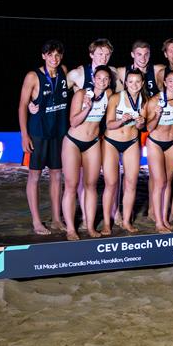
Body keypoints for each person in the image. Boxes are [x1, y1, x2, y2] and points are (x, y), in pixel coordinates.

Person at [17, 40, 69, 236]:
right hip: (38, 133)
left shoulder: (63, 71)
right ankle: (37, 221)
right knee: (35, 176)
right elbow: (22, 105)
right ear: (43, 56)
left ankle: (56, 219)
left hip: (59, 132)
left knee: (57, 175)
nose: (54, 58)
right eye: (50, 55)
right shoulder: (33, 76)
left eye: (57, 55)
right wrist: (24, 135)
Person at [60, 64, 111, 240]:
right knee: (71, 185)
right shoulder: (81, 94)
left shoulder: (109, 95)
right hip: (73, 142)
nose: (102, 81)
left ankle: (90, 227)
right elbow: (73, 122)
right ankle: (71, 229)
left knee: (91, 185)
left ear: (109, 81)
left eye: (106, 79)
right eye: (99, 78)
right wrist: (87, 108)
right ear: (93, 79)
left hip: (93, 143)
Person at [103, 70, 147, 234]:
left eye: (138, 81)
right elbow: (109, 124)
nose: (134, 85)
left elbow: (141, 127)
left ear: (142, 83)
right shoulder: (116, 98)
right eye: (131, 81)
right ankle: (107, 223)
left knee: (131, 183)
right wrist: (121, 120)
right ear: (125, 83)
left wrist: (141, 123)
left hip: (132, 142)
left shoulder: (144, 101)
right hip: (111, 142)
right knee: (111, 184)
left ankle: (127, 221)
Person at [144, 70, 173, 233]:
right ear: (165, 83)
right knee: (159, 182)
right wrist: (157, 116)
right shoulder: (155, 100)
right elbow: (148, 128)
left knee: (169, 181)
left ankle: (165, 218)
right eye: (171, 81)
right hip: (155, 143)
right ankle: (158, 222)